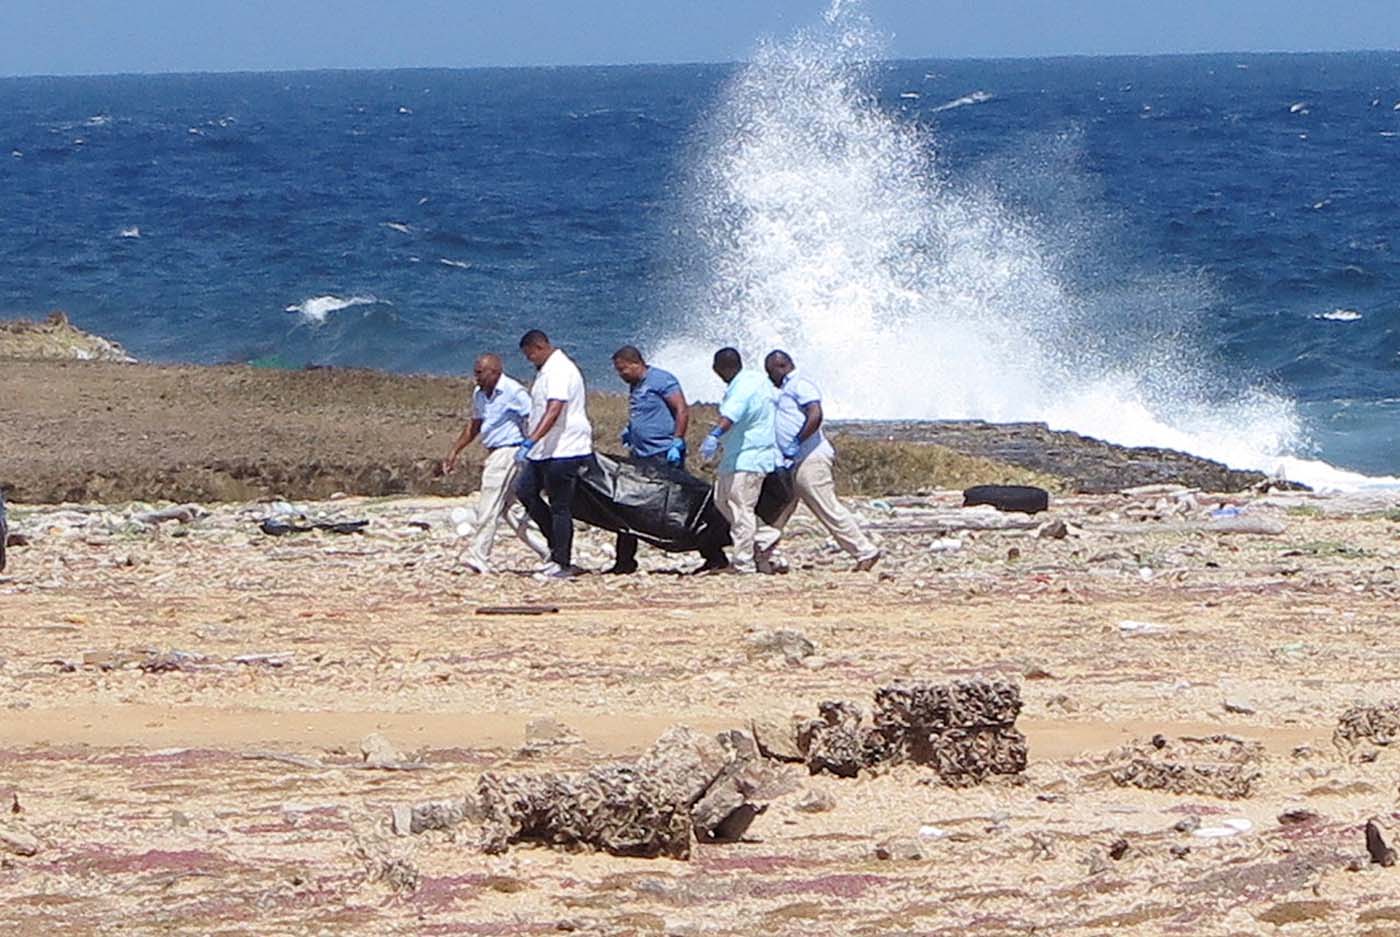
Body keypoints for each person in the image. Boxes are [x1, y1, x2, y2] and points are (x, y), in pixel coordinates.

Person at [764, 350, 883, 572]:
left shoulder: (800, 385)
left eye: (770, 372)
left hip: (810, 458)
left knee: (825, 506)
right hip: (791, 461)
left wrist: (797, 441)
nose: (770, 377)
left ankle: (865, 550)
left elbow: (815, 414)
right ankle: (762, 554)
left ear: (781, 367)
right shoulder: (785, 390)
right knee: (779, 509)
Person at [441, 353, 551, 574]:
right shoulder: (479, 394)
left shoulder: (513, 391)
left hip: (509, 451)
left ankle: (479, 556)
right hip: (494, 451)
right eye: (476, 373)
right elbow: (475, 424)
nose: (477, 378)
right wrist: (455, 450)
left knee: (489, 504)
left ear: (495, 372)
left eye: (481, 373)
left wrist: (531, 448)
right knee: (509, 510)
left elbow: (534, 416)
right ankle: (549, 550)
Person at [515, 329, 594, 581]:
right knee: (525, 491)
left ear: (539, 347)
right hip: (545, 450)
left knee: (560, 505)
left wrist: (531, 439)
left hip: (565, 448)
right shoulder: (546, 370)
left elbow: (555, 408)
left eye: (530, 355)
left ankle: (562, 562)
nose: (530, 360)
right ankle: (555, 549)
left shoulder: (559, 369)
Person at [608, 345, 690, 574]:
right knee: (628, 505)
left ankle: (712, 553)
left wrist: (677, 441)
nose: (620, 375)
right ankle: (624, 561)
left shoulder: (661, 380)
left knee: (675, 507)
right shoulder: (635, 385)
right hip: (640, 454)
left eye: (623, 369)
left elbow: (682, 409)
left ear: (636, 363)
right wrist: (631, 430)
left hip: (664, 453)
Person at [699, 347, 781, 574]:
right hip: (735, 457)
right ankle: (765, 536)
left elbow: (731, 416)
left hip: (749, 457)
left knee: (740, 509)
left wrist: (714, 435)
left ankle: (743, 563)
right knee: (722, 501)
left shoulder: (742, 388)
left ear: (720, 368)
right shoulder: (756, 380)